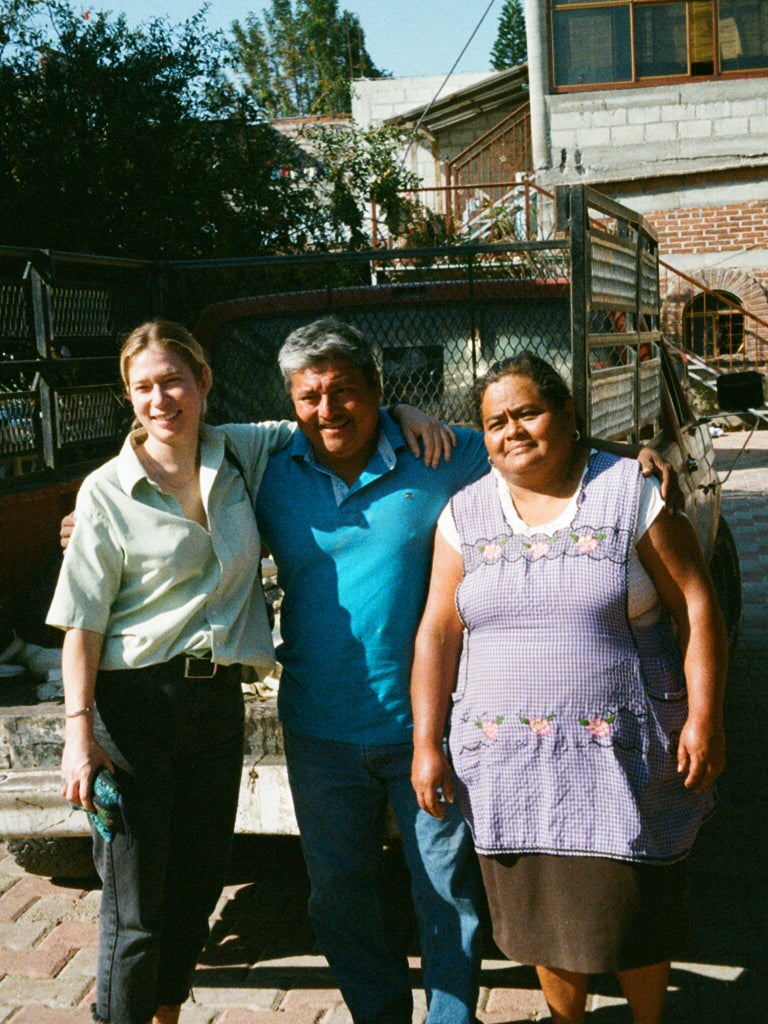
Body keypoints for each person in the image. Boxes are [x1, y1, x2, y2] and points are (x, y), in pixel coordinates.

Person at [252, 320, 680, 1024]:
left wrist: (633, 456)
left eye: (346, 392)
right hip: (318, 723)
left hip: (433, 720)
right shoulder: (269, 471)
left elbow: (536, 442)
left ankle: (452, 1019)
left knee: (445, 891)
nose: (328, 410)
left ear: (379, 394)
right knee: (338, 892)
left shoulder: (443, 452)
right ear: (292, 402)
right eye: (310, 396)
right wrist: (90, 506)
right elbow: (174, 450)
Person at [48, 319, 447, 1024]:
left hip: (214, 705)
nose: (160, 398)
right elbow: (82, 622)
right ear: (128, 398)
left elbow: (333, 418)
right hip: (134, 703)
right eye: (143, 387)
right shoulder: (107, 492)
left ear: (203, 382)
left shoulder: (240, 451)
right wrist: (78, 732)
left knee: (198, 885)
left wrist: (405, 415)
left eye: (173, 380)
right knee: (136, 905)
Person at [410, 352, 727, 1024]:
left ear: (568, 415)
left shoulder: (629, 491)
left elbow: (697, 607)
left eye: (529, 412)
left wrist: (705, 716)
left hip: (624, 759)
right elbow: (438, 633)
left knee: (634, 909)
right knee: (541, 921)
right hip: (509, 765)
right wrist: (426, 743)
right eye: (496, 421)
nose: (513, 430)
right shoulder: (463, 515)